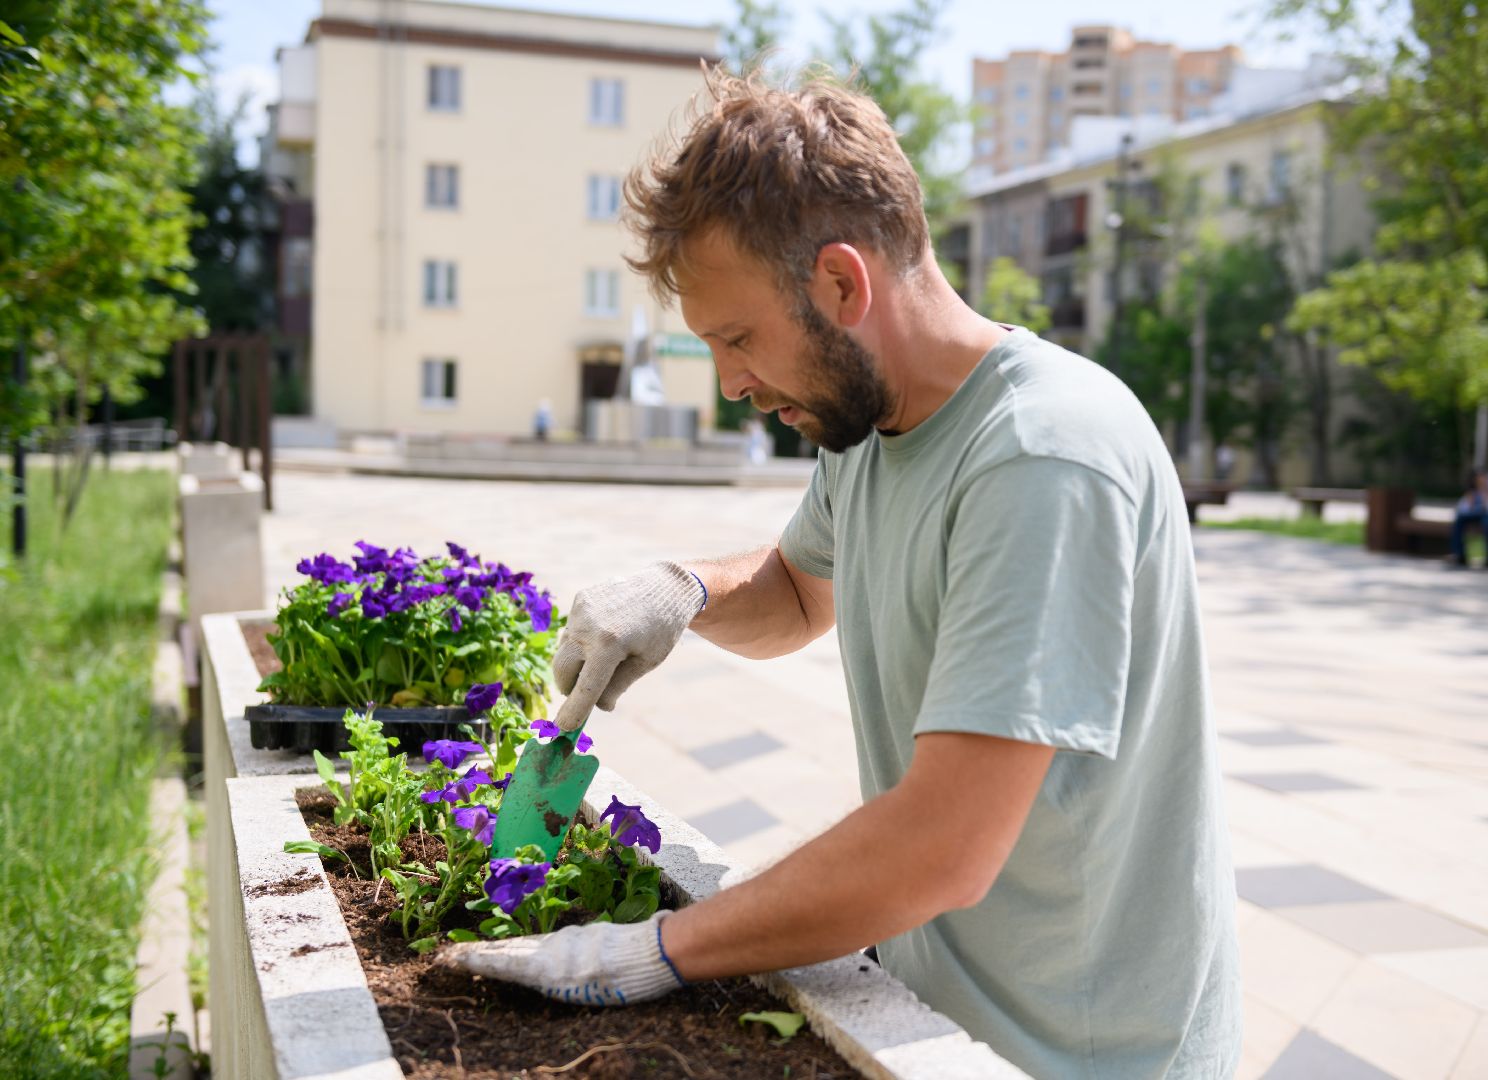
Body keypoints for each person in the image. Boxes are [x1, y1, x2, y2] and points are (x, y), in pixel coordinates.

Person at [443, 67, 1241, 1079]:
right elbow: (800, 590)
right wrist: (682, 591)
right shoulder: (869, 427)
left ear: (840, 285)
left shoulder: (1042, 455)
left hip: (1074, 1053)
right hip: (944, 1015)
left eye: (738, 339)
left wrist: (645, 953)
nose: (732, 385)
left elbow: (941, 846)